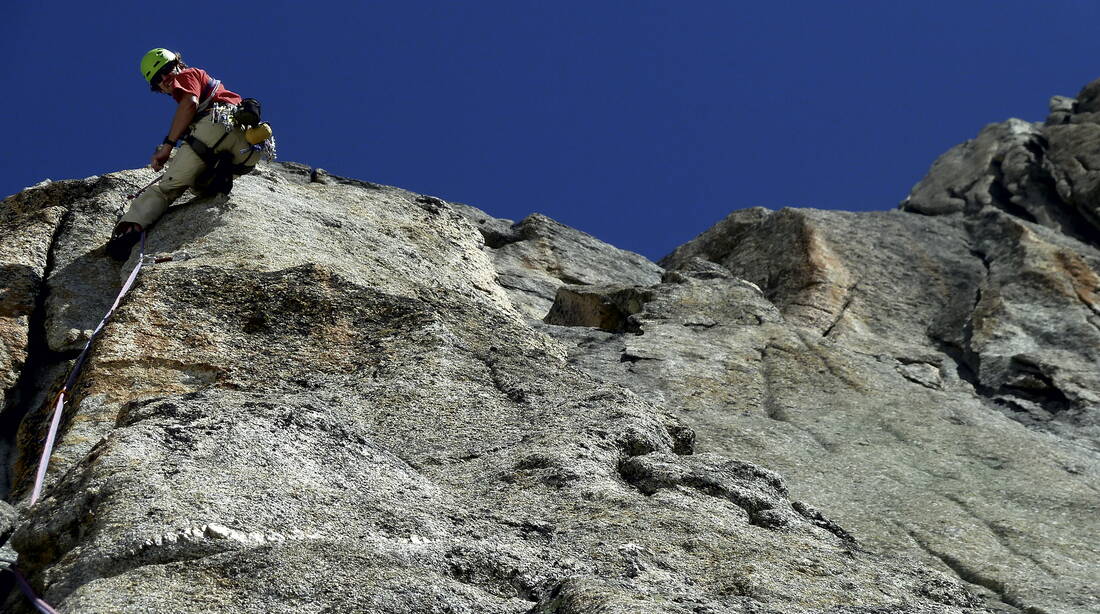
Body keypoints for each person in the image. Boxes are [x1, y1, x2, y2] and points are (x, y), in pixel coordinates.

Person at [107, 48, 266, 260]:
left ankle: (130, 230)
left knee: (166, 189)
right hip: (248, 152)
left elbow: (190, 104)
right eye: (158, 80)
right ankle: (216, 175)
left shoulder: (188, 74)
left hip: (215, 128)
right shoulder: (209, 85)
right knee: (199, 184)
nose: (165, 78)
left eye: (166, 69)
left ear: (179, 64)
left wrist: (167, 146)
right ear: (158, 89)